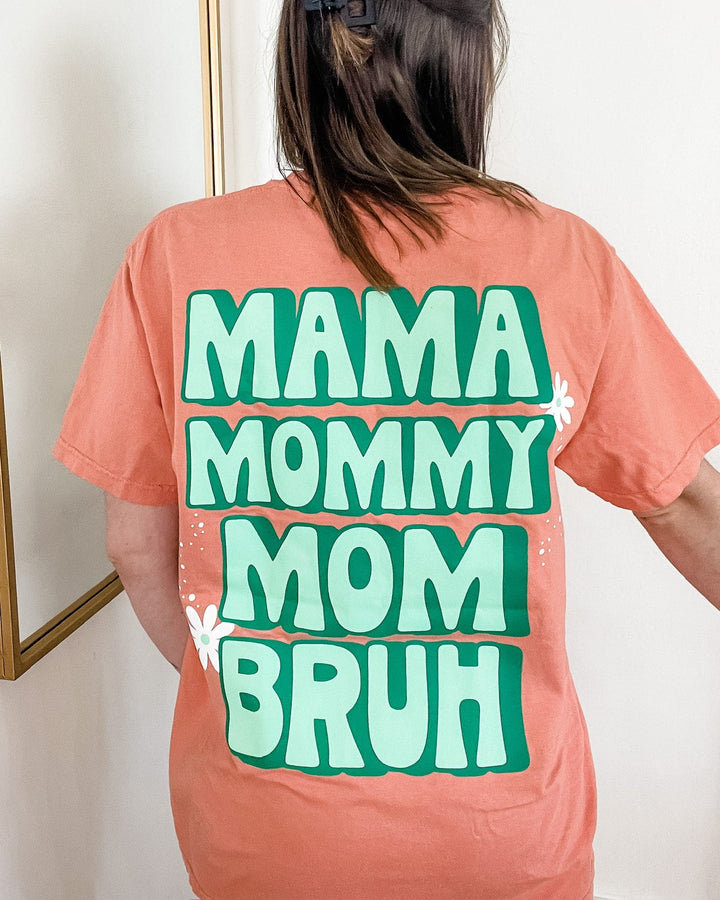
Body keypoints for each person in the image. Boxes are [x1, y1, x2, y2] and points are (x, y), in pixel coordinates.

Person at [54, 0, 720, 897]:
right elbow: (684, 502)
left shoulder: (173, 256)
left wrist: (253, 691)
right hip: (500, 839)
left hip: (263, 834)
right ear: (465, 64)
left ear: (299, 58)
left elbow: (135, 545)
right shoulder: (558, 257)